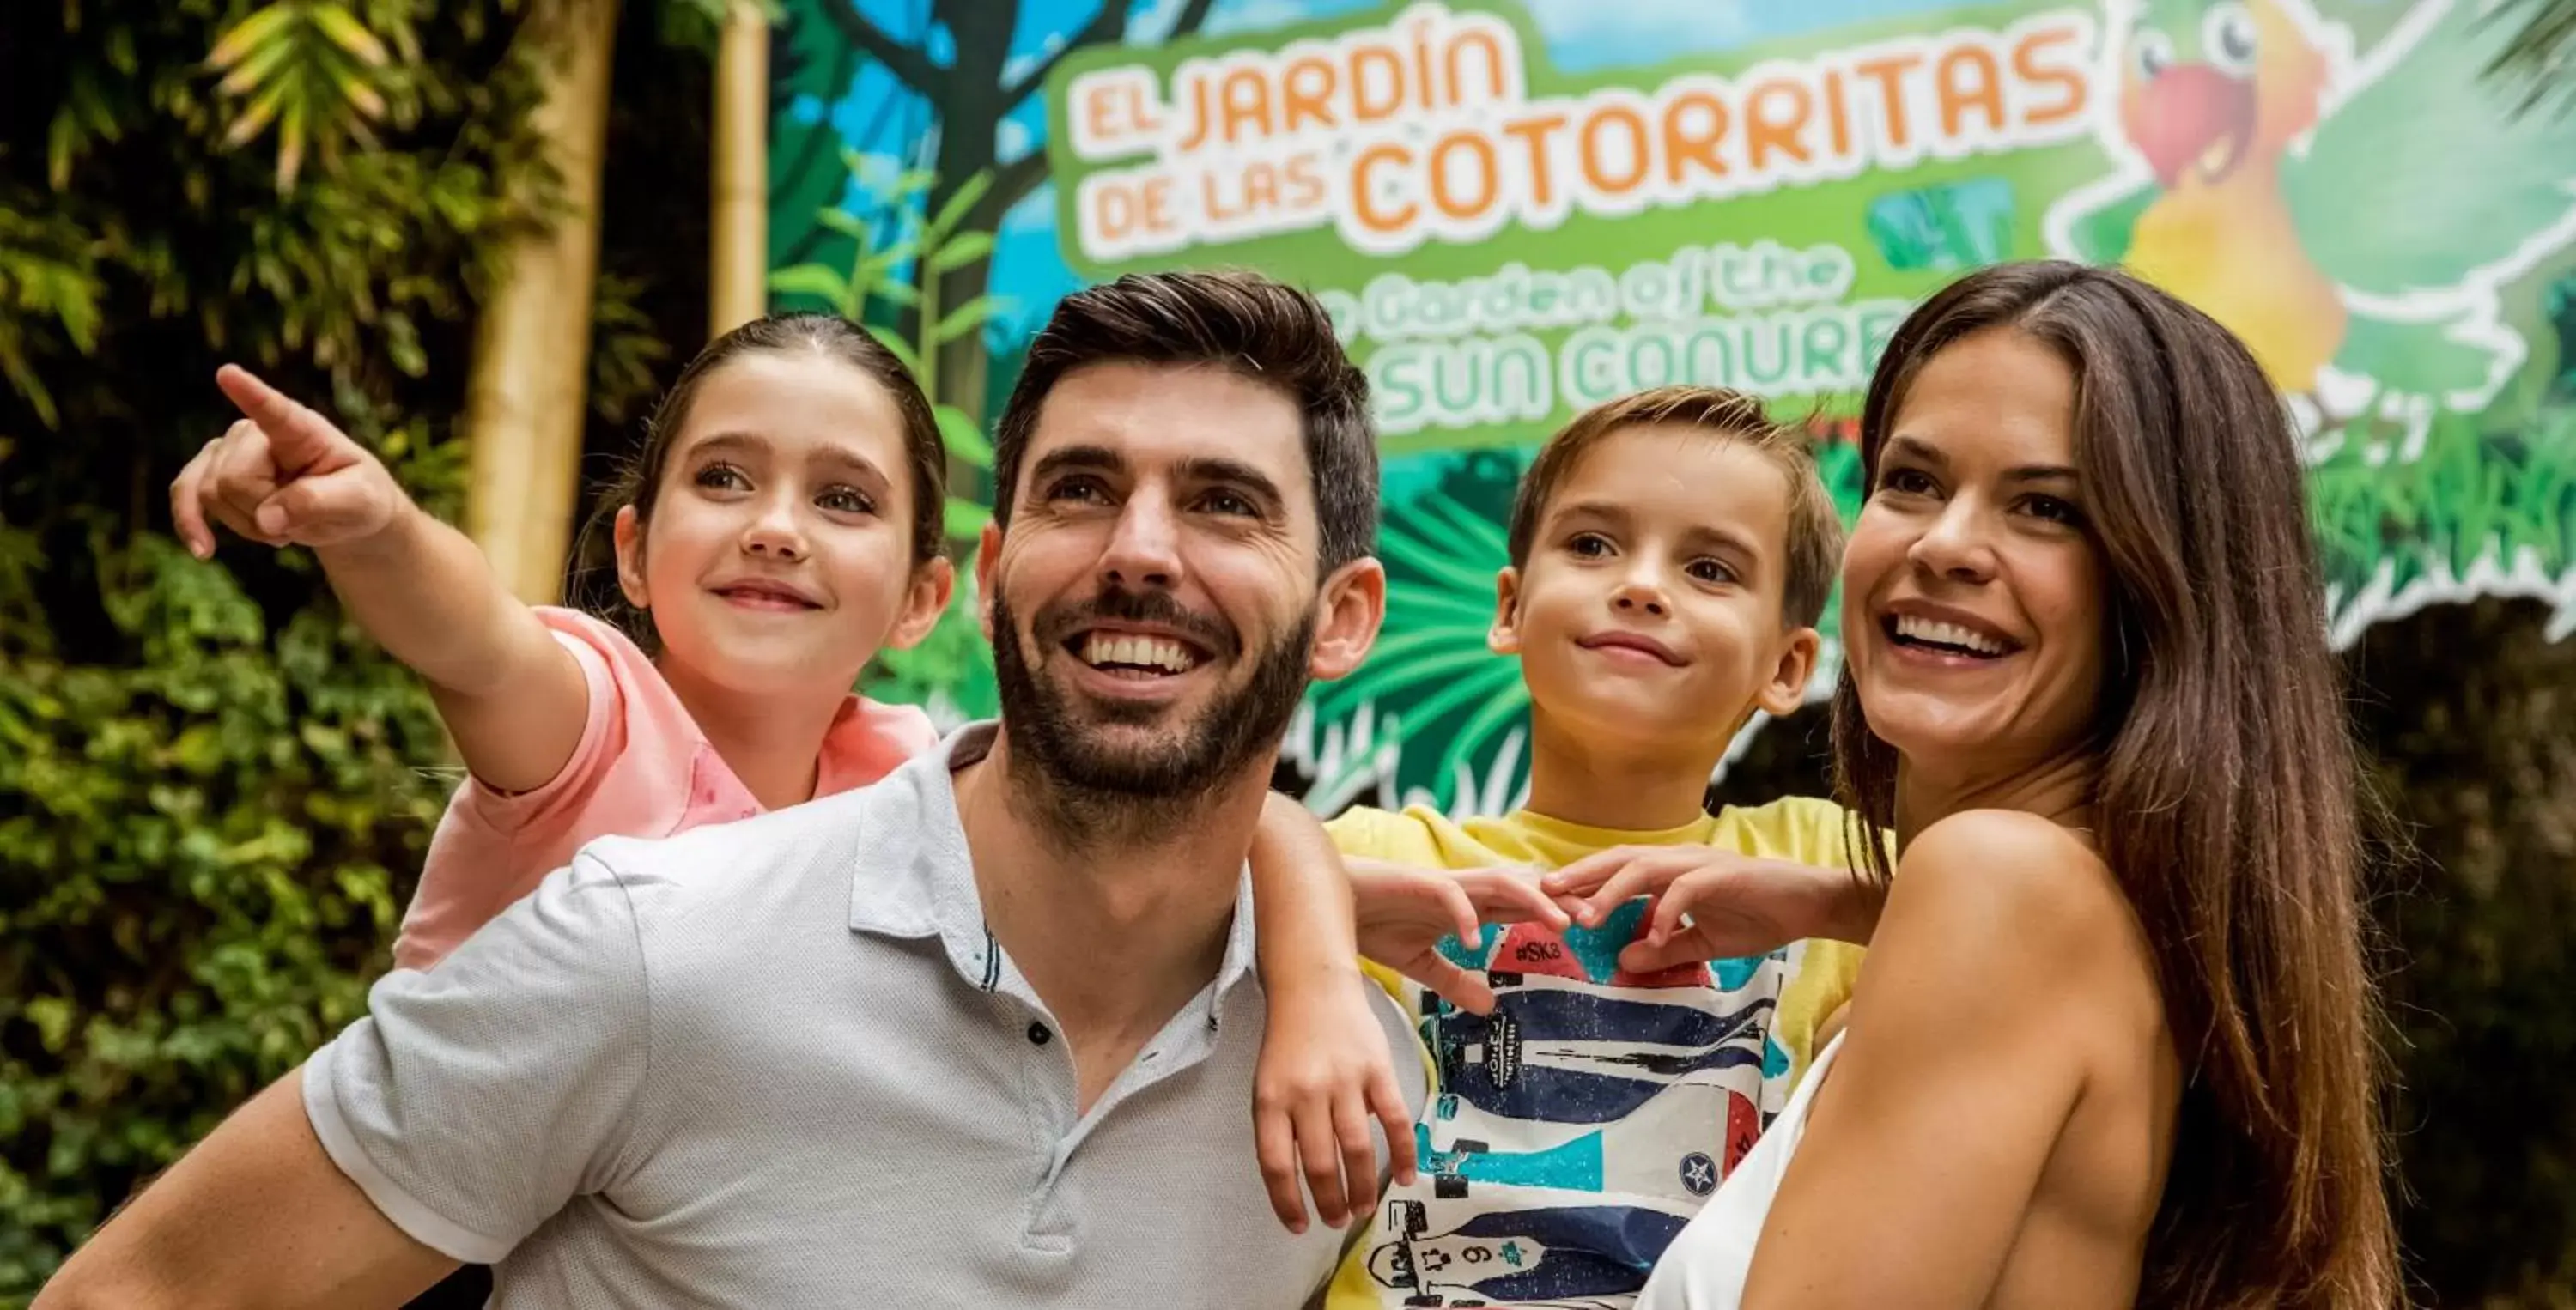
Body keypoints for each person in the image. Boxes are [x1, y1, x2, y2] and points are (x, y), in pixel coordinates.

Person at [39, 270, 1437, 1308]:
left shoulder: (1364, 1086)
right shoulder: (648, 921)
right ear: (1002, 570)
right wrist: (377, 523)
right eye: (1081, 490)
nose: (1140, 550)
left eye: (1224, 503)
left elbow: (1220, 824)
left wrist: (1323, 949)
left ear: (1345, 615)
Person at [1629, 260, 2399, 1307]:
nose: (1945, 544)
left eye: (2045, 507)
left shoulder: (1996, 887)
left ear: (2164, 584)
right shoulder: (2090, 918)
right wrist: (1860, 905)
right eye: (1911, 481)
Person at [1252, 386, 1870, 1309]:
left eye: (1709, 568)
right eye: (1591, 545)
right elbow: (1200, 856)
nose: (1642, 584)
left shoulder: (1823, 857)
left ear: (1788, 666)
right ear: (1510, 607)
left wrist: (1837, 902)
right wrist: (1308, 951)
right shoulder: (1391, 850)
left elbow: (2050, 913)